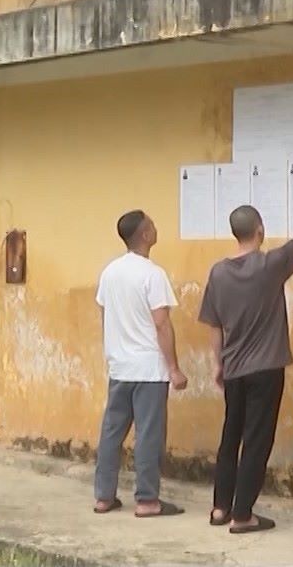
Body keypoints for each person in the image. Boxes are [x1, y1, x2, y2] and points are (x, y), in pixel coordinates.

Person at [200, 194, 293, 534]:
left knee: (230, 434)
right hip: (265, 369)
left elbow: (214, 324)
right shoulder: (269, 265)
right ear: (260, 230)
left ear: (234, 233)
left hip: (233, 368)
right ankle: (243, 514)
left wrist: (217, 364)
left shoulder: (218, 273)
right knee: (257, 440)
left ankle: (220, 507)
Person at [93, 210, 188, 518]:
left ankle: (103, 496)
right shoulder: (153, 274)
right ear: (145, 235)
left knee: (112, 432)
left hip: (119, 366)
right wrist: (173, 367)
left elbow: (104, 314)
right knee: (148, 434)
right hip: (148, 368)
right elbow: (162, 324)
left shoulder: (110, 272)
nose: (157, 227)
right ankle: (147, 500)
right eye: (153, 224)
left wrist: (113, 350)